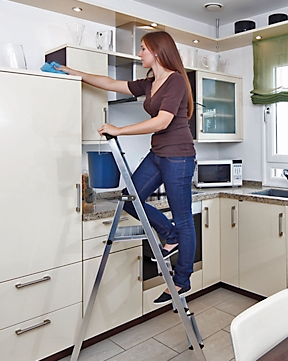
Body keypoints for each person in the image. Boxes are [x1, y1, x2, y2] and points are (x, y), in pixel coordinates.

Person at [56, 31, 196, 304]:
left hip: (178, 157)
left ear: (157, 52)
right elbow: (109, 82)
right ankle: (169, 234)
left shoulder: (176, 81)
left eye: (143, 48)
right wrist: (72, 71)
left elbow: (162, 122)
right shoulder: (150, 83)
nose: (140, 53)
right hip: (158, 154)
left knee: (184, 219)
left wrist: (119, 130)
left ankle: (182, 280)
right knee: (129, 199)